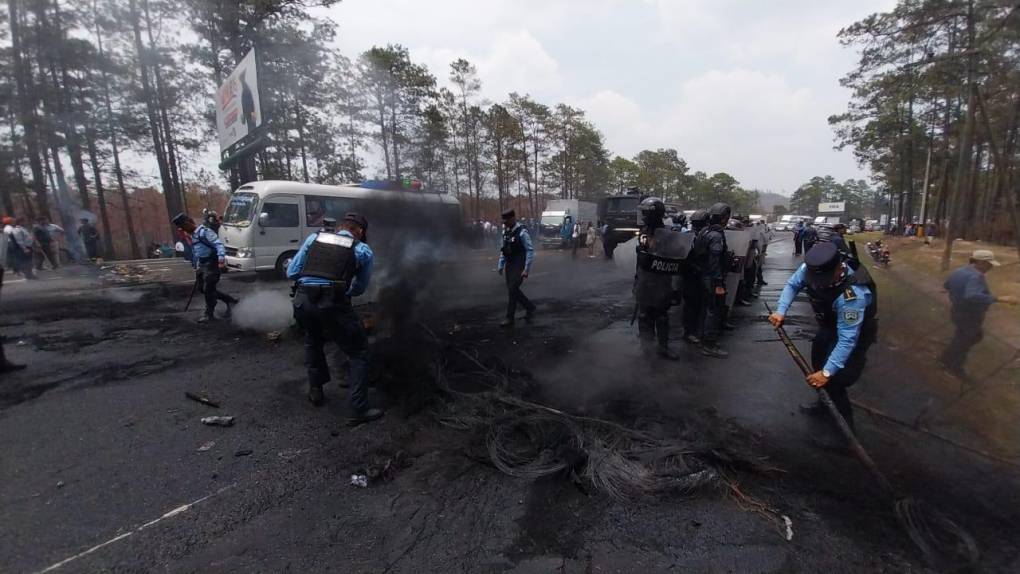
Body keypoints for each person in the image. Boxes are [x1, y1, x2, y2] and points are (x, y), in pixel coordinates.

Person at [769, 242, 877, 434]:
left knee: (835, 380)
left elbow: (847, 340)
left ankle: (845, 434)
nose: (818, 283)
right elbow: (792, 284)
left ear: (838, 268)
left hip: (854, 336)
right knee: (818, 361)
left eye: (823, 278)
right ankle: (824, 405)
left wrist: (827, 373)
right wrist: (781, 311)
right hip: (828, 326)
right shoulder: (812, 268)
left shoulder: (853, 296)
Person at [287, 212, 383, 424]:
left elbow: (292, 272)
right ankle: (359, 409)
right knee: (359, 352)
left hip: (303, 301)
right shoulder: (362, 249)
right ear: (360, 232)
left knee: (313, 341)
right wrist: (339, 292)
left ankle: (316, 390)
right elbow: (358, 289)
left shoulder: (315, 238)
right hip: (332, 304)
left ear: (341, 226)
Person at [940, 250, 1017, 377]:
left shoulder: (959, 270)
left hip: (957, 311)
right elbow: (972, 295)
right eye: (989, 264)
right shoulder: (977, 276)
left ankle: (946, 358)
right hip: (970, 314)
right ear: (981, 262)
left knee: (964, 337)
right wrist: (1000, 299)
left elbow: (946, 285)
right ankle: (955, 366)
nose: (991, 267)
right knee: (968, 338)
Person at [633, 197, 680, 360]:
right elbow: (641, 255)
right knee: (644, 314)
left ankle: (663, 347)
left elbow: (675, 255)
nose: (644, 215)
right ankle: (646, 347)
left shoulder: (667, 233)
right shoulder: (644, 230)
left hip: (661, 280)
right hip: (645, 279)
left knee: (661, 315)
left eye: (646, 212)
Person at [172, 213, 238, 323]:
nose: (184, 229)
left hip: (212, 264)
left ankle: (209, 315)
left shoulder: (204, 232)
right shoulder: (192, 235)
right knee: (202, 289)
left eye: (184, 227)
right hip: (202, 265)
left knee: (208, 290)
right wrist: (197, 265)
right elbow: (197, 251)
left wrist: (221, 259)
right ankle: (231, 301)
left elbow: (218, 244)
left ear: (189, 222)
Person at [694, 203, 730, 358]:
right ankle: (709, 343)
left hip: (703, 275)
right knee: (713, 310)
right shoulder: (716, 236)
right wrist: (719, 282)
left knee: (705, 308)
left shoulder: (704, 231)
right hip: (712, 277)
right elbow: (714, 260)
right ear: (723, 218)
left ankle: (702, 338)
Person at [497, 208, 536, 327]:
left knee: (512, 289)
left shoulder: (522, 232)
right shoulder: (506, 232)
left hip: (519, 265)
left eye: (507, 221)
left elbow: (530, 250)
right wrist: (500, 265)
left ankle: (509, 318)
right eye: (504, 222)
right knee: (512, 290)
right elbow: (504, 250)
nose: (505, 223)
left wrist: (526, 269)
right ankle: (530, 306)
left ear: (513, 218)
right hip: (509, 265)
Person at [681, 210, 709, 344]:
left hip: (696, 273)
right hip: (691, 275)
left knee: (696, 304)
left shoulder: (700, 235)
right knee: (692, 305)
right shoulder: (689, 236)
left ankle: (695, 330)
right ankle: (689, 332)